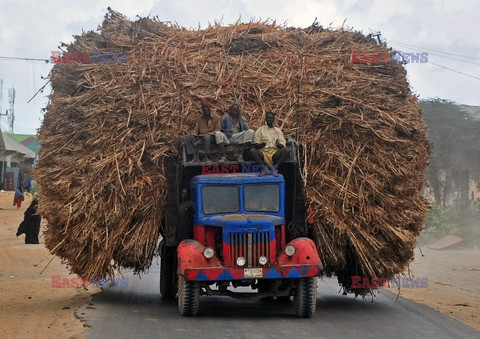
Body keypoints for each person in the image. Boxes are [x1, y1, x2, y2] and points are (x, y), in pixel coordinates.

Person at [249, 111, 291, 175]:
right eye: (268, 118)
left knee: (287, 150)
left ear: (274, 119)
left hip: (274, 152)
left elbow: (282, 143)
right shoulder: (260, 130)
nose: (269, 120)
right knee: (252, 151)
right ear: (265, 119)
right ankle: (264, 169)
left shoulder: (277, 130)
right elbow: (255, 144)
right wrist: (261, 144)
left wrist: (279, 145)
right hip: (263, 151)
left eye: (271, 118)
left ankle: (274, 168)